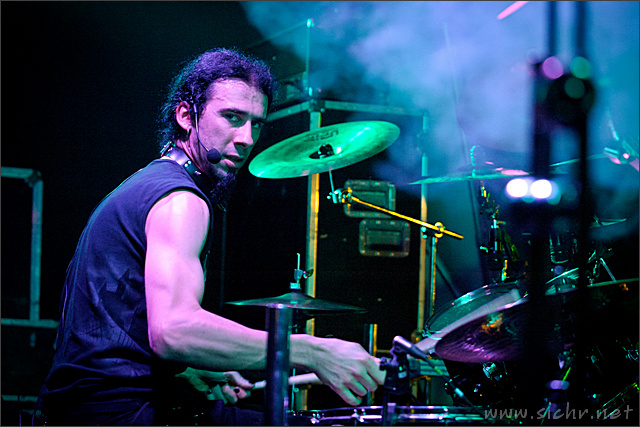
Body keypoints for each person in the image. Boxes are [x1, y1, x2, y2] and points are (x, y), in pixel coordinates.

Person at [34, 47, 386, 426]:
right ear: (186, 116)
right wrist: (312, 351)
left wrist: (187, 371)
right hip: (122, 413)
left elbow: (116, 327)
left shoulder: (147, 184)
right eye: (232, 117)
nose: (247, 138)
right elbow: (173, 331)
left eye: (256, 124)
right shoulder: (180, 200)